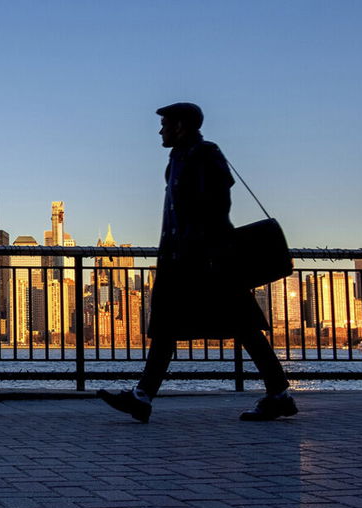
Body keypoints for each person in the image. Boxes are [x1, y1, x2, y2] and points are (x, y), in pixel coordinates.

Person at [97, 102, 297, 423]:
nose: (160, 130)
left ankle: (278, 394)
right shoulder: (178, 159)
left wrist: (202, 250)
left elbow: (216, 205)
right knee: (170, 329)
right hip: (184, 260)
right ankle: (142, 396)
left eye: (165, 124)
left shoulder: (205, 154)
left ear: (181, 126)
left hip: (206, 261)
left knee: (241, 327)